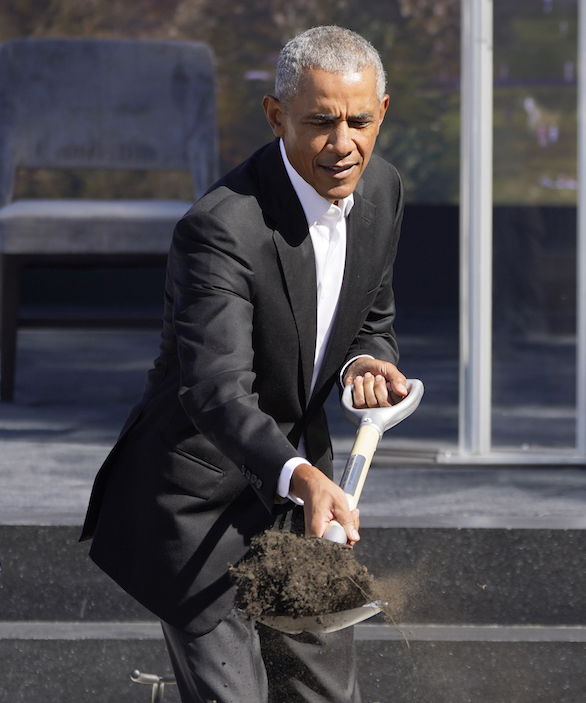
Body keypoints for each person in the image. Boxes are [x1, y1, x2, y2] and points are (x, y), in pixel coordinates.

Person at [80, 26, 408, 703]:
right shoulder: (220, 228)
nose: (342, 142)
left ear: (383, 111)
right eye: (320, 122)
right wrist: (303, 475)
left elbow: (370, 314)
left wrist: (366, 362)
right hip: (196, 504)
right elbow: (216, 391)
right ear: (276, 114)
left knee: (323, 695)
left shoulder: (382, 192)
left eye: (359, 120)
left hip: (296, 501)